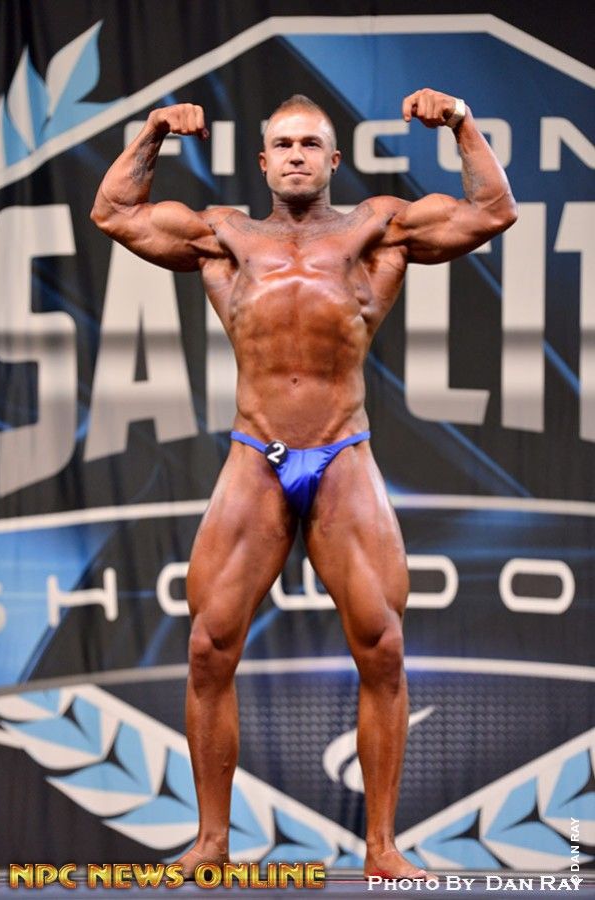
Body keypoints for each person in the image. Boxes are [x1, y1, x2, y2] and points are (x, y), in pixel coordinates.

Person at [91, 88, 516, 879]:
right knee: (209, 647)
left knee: (383, 648)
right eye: (282, 144)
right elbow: (114, 212)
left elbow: (492, 211)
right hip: (256, 455)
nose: (295, 156)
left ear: (332, 160)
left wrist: (462, 119)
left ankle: (382, 848)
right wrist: (151, 131)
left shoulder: (378, 228)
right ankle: (212, 842)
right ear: (263, 161)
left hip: (341, 454)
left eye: (309, 144)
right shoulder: (224, 236)